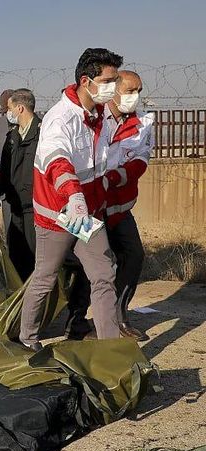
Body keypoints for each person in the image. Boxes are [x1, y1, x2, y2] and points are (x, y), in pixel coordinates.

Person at [20, 48, 124, 351]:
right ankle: (27, 340)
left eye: (115, 80)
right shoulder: (60, 118)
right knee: (45, 276)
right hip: (57, 214)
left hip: (86, 216)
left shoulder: (100, 117)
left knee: (104, 275)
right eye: (108, 81)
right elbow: (58, 161)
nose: (113, 88)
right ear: (85, 80)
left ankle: (110, 350)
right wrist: (74, 195)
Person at [68, 70, 155, 341]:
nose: (135, 97)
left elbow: (141, 159)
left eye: (138, 91)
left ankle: (117, 318)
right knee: (87, 264)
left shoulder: (141, 125)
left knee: (133, 256)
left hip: (119, 206)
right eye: (130, 91)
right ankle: (76, 321)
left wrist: (116, 177)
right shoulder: (94, 117)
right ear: (114, 90)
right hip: (91, 206)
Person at [0, 88, 41, 281]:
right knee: (17, 256)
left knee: (36, 258)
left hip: (36, 208)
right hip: (15, 207)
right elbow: (6, 169)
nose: (8, 113)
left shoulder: (43, 133)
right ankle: (22, 304)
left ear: (20, 108)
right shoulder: (13, 136)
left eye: (10, 108)